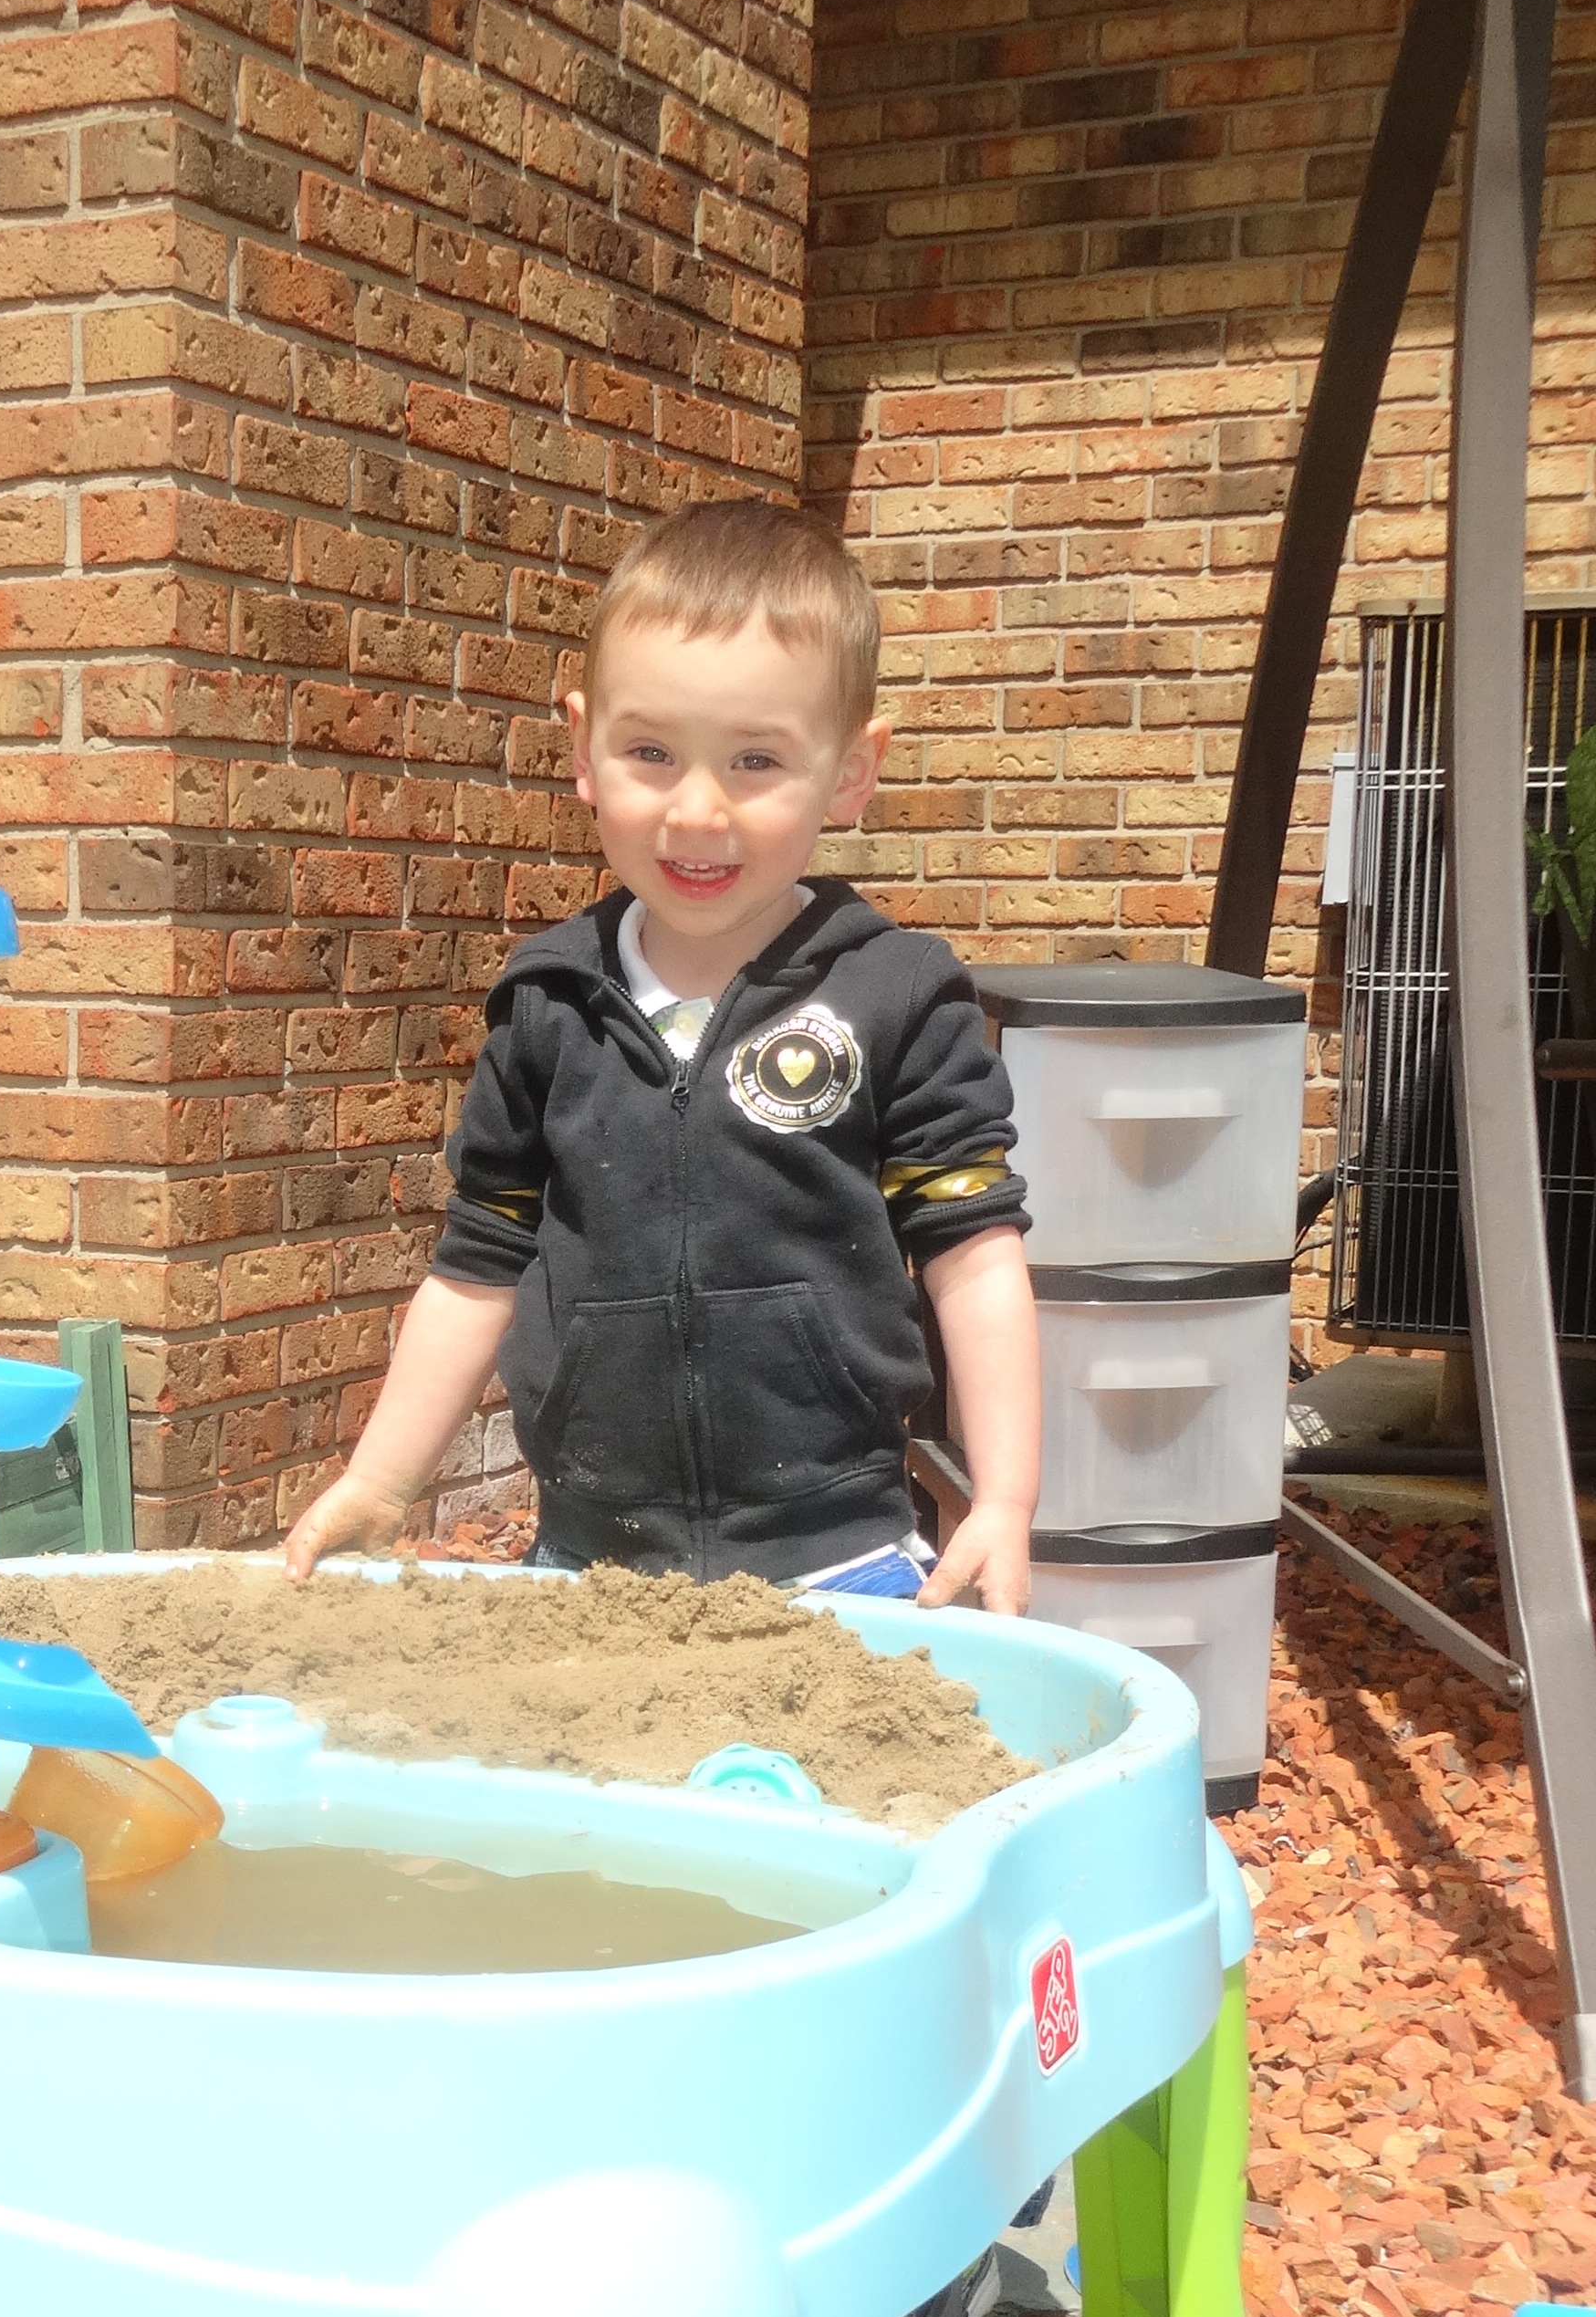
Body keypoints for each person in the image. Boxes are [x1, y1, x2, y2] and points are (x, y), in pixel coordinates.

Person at [282, 497, 1038, 1610]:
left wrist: (1004, 1497)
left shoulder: (896, 997)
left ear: (849, 770)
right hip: (591, 1568)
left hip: (841, 1561)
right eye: (650, 752)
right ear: (583, 747)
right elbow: (476, 1265)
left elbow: (972, 1253)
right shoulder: (549, 1004)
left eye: (754, 760)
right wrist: (381, 1481)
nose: (695, 811)